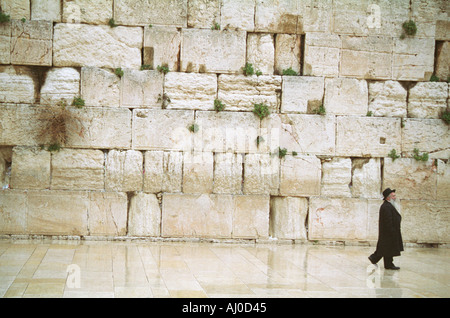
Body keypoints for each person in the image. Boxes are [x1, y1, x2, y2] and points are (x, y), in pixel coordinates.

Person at [368, 188, 403, 270]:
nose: (395, 197)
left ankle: (381, 261)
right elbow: (388, 221)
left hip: (389, 232)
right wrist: (392, 231)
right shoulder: (386, 207)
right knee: (386, 248)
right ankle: (384, 262)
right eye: (393, 196)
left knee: (387, 249)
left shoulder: (388, 205)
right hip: (388, 232)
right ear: (388, 197)